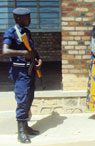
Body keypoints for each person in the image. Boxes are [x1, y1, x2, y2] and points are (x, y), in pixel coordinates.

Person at [2, 8, 42, 143]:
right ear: (18, 18)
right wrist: (22, 53)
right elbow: (5, 51)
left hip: (30, 71)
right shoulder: (11, 32)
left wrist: (39, 59)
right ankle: (21, 132)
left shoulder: (27, 32)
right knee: (23, 99)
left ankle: (26, 126)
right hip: (19, 72)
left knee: (29, 98)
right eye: (27, 18)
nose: (30, 20)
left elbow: (32, 51)